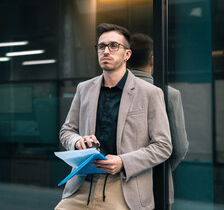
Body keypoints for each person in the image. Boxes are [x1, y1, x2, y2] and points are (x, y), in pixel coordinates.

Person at [55, 23, 172, 210]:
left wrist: (123, 162)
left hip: (123, 189)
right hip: (81, 187)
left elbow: (163, 146)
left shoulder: (150, 93)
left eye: (113, 46)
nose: (106, 51)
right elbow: (66, 131)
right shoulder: (84, 89)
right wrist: (78, 142)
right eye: (101, 47)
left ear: (127, 54)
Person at [128, 33, 189, 208]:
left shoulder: (109, 92)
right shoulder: (169, 94)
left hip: (117, 191)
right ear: (152, 59)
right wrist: (159, 170)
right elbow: (179, 148)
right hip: (157, 189)